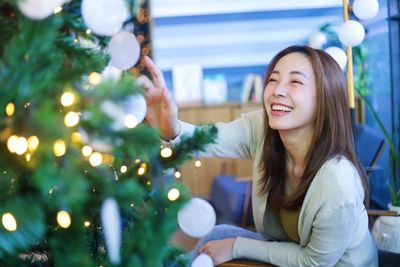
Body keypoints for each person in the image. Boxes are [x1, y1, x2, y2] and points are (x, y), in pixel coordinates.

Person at [140, 45, 378, 266]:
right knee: (217, 235)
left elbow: (313, 262)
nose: (277, 90)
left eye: (295, 81)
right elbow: (209, 140)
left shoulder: (338, 183)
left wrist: (237, 247)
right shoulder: (263, 128)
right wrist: (171, 128)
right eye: (273, 80)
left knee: (226, 240)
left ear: (324, 97)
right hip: (289, 250)